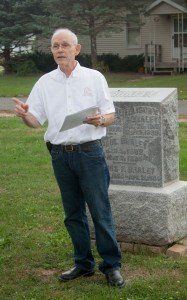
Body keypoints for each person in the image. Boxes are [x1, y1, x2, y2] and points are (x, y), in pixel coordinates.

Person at [14, 28, 124, 287]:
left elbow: (111, 115)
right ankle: (83, 263)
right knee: (73, 213)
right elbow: (35, 121)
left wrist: (100, 120)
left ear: (77, 49)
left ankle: (111, 265)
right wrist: (24, 115)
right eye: (55, 46)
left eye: (65, 45)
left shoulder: (94, 78)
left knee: (100, 211)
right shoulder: (44, 82)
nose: (59, 50)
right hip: (60, 156)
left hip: (90, 153)